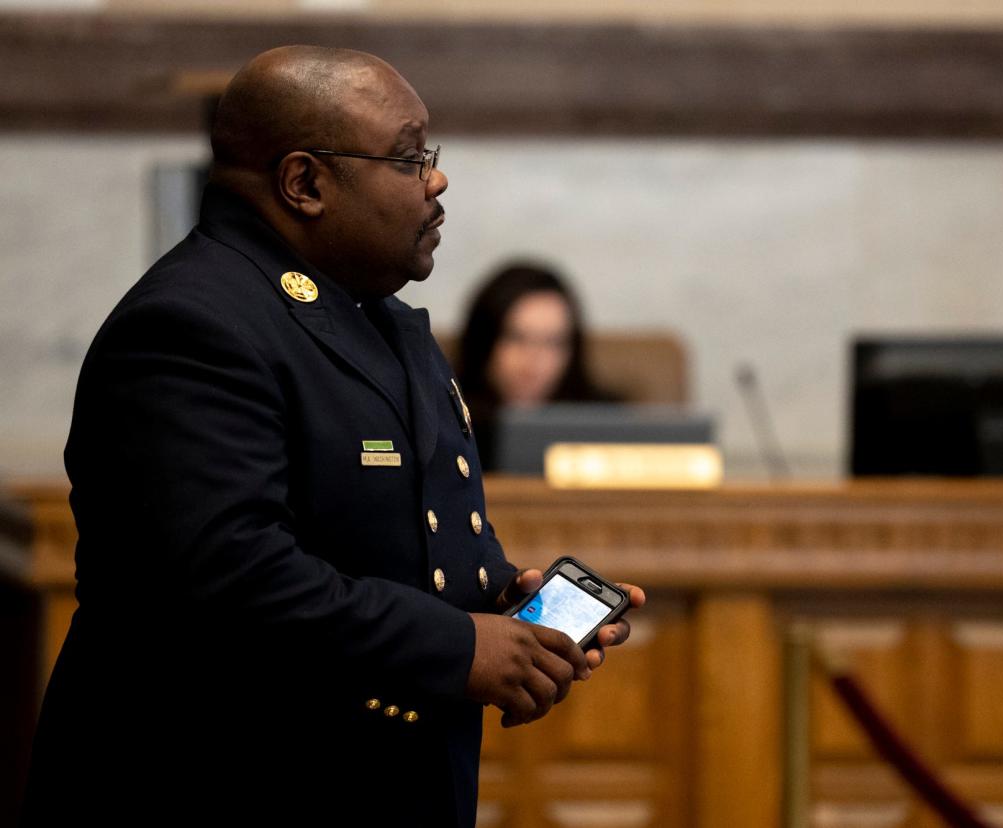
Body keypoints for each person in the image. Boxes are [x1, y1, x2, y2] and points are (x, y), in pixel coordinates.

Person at [20, 46, 643, 827]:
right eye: (410, 155)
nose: (437, 180)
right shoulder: (192, 325)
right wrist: (461, 647)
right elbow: (229, 578)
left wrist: (503, 606)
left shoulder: (375, 316)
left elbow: (387, 528)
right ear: (305, 183)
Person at [456, 262, 619, 469]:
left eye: (552, 342)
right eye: (517, 337)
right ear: (484, 341)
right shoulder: (442, 422)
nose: (534, 360)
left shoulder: (604, 425)